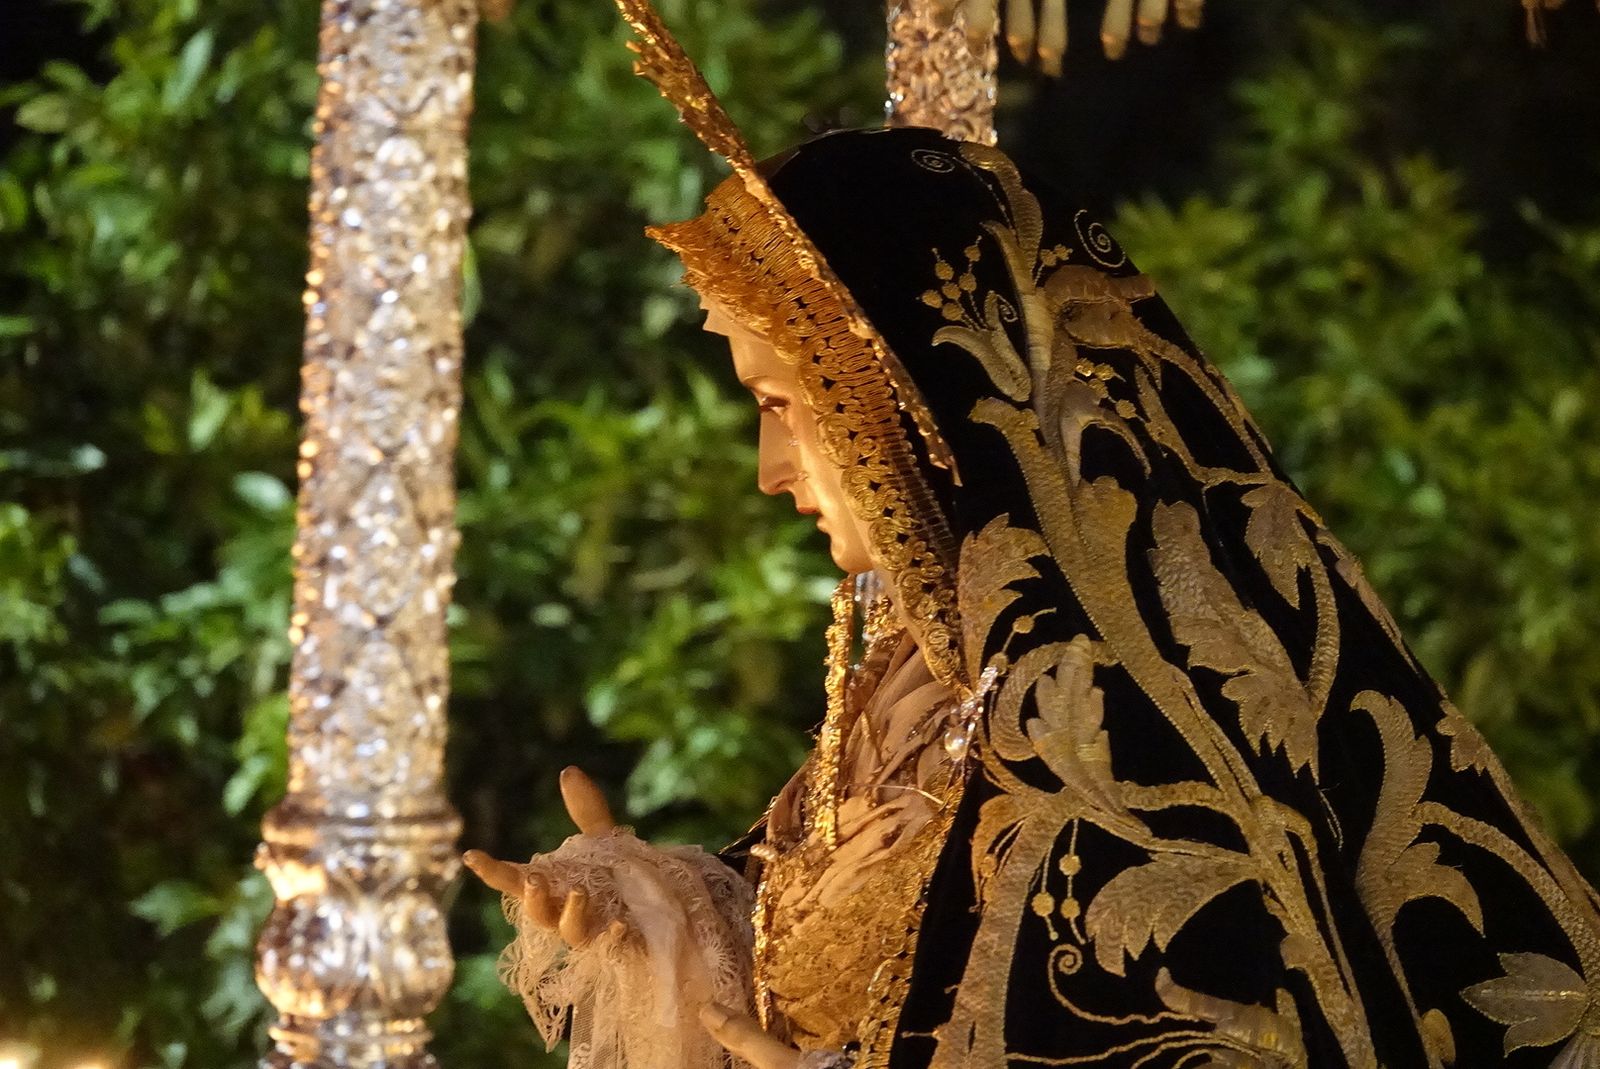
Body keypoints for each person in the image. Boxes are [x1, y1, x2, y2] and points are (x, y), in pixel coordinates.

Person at [464, 5, 1600, 1067]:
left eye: (778, 405)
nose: (769, 473)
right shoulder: (919, 682)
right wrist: (659, 920)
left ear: (902, 401)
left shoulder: (1118, 721)